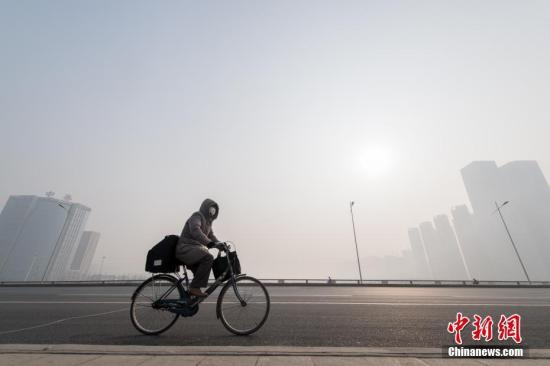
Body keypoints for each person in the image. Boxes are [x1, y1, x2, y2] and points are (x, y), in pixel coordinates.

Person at [175, 198, 221, 297]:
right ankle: (194, 288)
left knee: (200, 271)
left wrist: (220, 244)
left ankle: (190, 297)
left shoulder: (208, 223)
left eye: (214, 209)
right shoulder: (197, 216)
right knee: (208, 258)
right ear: (206, 207)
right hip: (185, 248)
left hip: (194, 250)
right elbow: (195, 230)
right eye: (211, 208)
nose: (213, 211)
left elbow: (211, 236)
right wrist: (209, 243)